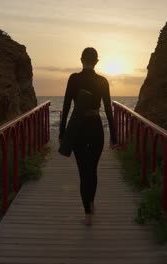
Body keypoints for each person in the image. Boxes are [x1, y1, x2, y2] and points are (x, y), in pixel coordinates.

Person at [59, 47, 118, 226]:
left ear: (81, 59)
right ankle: (91, 203)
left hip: (78, 129)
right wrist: (114, 136)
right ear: (97, 61)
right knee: (92, 169)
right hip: (96, 128)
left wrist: (62, 132)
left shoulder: (74, 79)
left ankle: (87, 214)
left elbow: (67, 105)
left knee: (83, 171)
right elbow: (108, 109)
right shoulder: (103, 81)